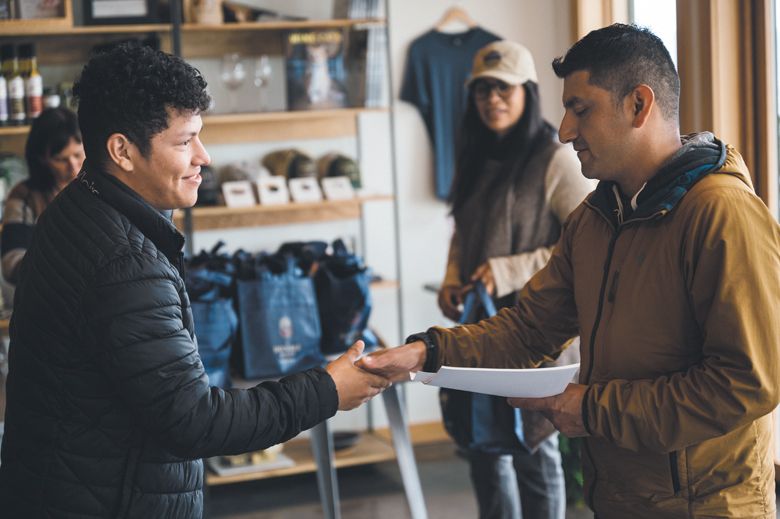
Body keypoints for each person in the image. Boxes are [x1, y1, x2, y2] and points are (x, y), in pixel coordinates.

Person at [360, 23, 780, 519]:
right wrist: (426, 351)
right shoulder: (595, 219)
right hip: (618, 497)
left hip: (706, 507)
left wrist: (592, 409)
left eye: (580, 109)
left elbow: (746, 383)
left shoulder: (721, 213)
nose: (564, 130)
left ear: (639, 105)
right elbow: (528, 329)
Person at [0, 43, 389, 518]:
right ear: (121, 150)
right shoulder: (124, 262)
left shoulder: (75, 208)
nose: (203, 157)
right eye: (184, 142)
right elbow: (195, 421)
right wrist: (328, 391)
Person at [437, 40, 592, 519]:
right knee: (485, 448)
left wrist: (508, 269)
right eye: (483, 90)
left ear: (527, 91)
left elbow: (587, 243)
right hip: (483, 331)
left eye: (503, 87)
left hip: (540, 337)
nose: (492, 99)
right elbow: (463, 232)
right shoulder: (477, 158)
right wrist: (451, 279)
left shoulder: (556, 160)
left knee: (532, 449)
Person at [1, 107, 85, 285]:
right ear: (42, 159)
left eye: (78, 155)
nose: (74, 167)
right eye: (61, 159)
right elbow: (11, 262)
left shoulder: (98, 187)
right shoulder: (24, 197)